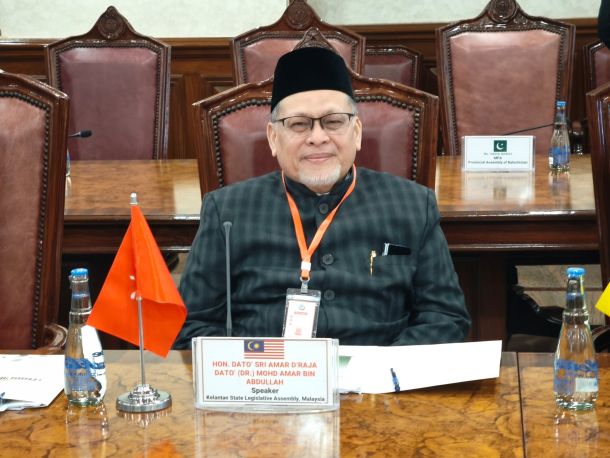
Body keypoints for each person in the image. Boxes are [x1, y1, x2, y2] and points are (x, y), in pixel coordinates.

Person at [174, 46, 470, 348]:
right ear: (273, 138)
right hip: (265, 374)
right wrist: (255, 364)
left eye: (333, 121)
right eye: (299, 124)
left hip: (379, 374)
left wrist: (383, 368)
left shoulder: (412, 205)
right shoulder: (227, 211)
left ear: (356, 132)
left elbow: (445, 316)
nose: (317, 137)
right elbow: (190, 325)